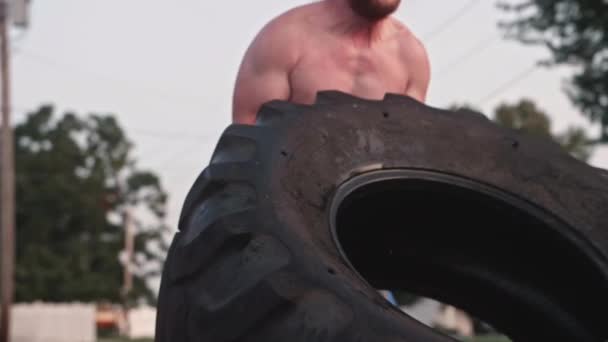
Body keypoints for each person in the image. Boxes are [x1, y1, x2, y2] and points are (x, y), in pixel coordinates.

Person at [232, 0, 431, 124]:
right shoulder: (283, 39)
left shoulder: (410, 56)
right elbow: (247, 145)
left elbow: (410, 148)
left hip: (377, 191)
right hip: (294, 187)